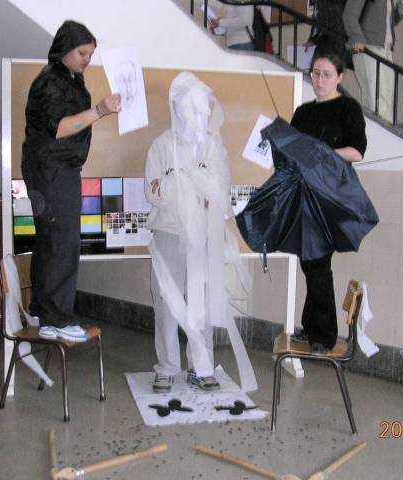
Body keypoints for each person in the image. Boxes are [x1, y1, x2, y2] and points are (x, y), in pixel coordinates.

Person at [145, 72, 256, 393]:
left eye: (201, 108)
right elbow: (153, 192)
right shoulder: (161, 145)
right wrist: (185, 183)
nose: (198, 114)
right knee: (166, 300)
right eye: (191, 107)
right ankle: (167, 367)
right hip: (168, 232)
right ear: (177, 108)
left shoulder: (212, 145)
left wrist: (183, 183)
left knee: (202, 301)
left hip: (204, 237)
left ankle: (201, 365)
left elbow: (219, 189)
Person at [21, 20, 121, 342]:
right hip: (52, 169)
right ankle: (57, 320)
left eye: (91, 54)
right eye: (82, 53)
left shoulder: (68, 78)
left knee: (51, 240)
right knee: (62, 242)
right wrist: (99, 110)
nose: (87, 59)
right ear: (65, 49)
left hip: (52, 169)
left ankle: (43, 312)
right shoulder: (52, 80)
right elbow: (59, 128)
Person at [290, 50, 367, 353]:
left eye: (326, 74)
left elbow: (357, 151)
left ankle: (324, 336)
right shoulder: (303, 112)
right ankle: (312, 327)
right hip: (305, 194)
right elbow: (294, 150)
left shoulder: (348, 107)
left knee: (318, 261)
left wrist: (324, 153)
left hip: (332, 196)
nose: (319, 80)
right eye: (315, 73)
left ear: (340, 77)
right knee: (310, 261)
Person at [343, 0, 403, 121]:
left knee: (386, 98)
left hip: (385, 49)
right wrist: (357, 37)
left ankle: (383, 130)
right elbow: (349, 15)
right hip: (368, 48)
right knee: (375, 99)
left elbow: (385, 24)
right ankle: (377, 130)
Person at [304, 0, 353, 70]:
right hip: (328, 40)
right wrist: (312, 40)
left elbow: (341, 24)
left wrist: (315, 40)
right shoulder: (320, 3)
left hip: (340, 42)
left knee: (325, 67)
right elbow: (318, 21)